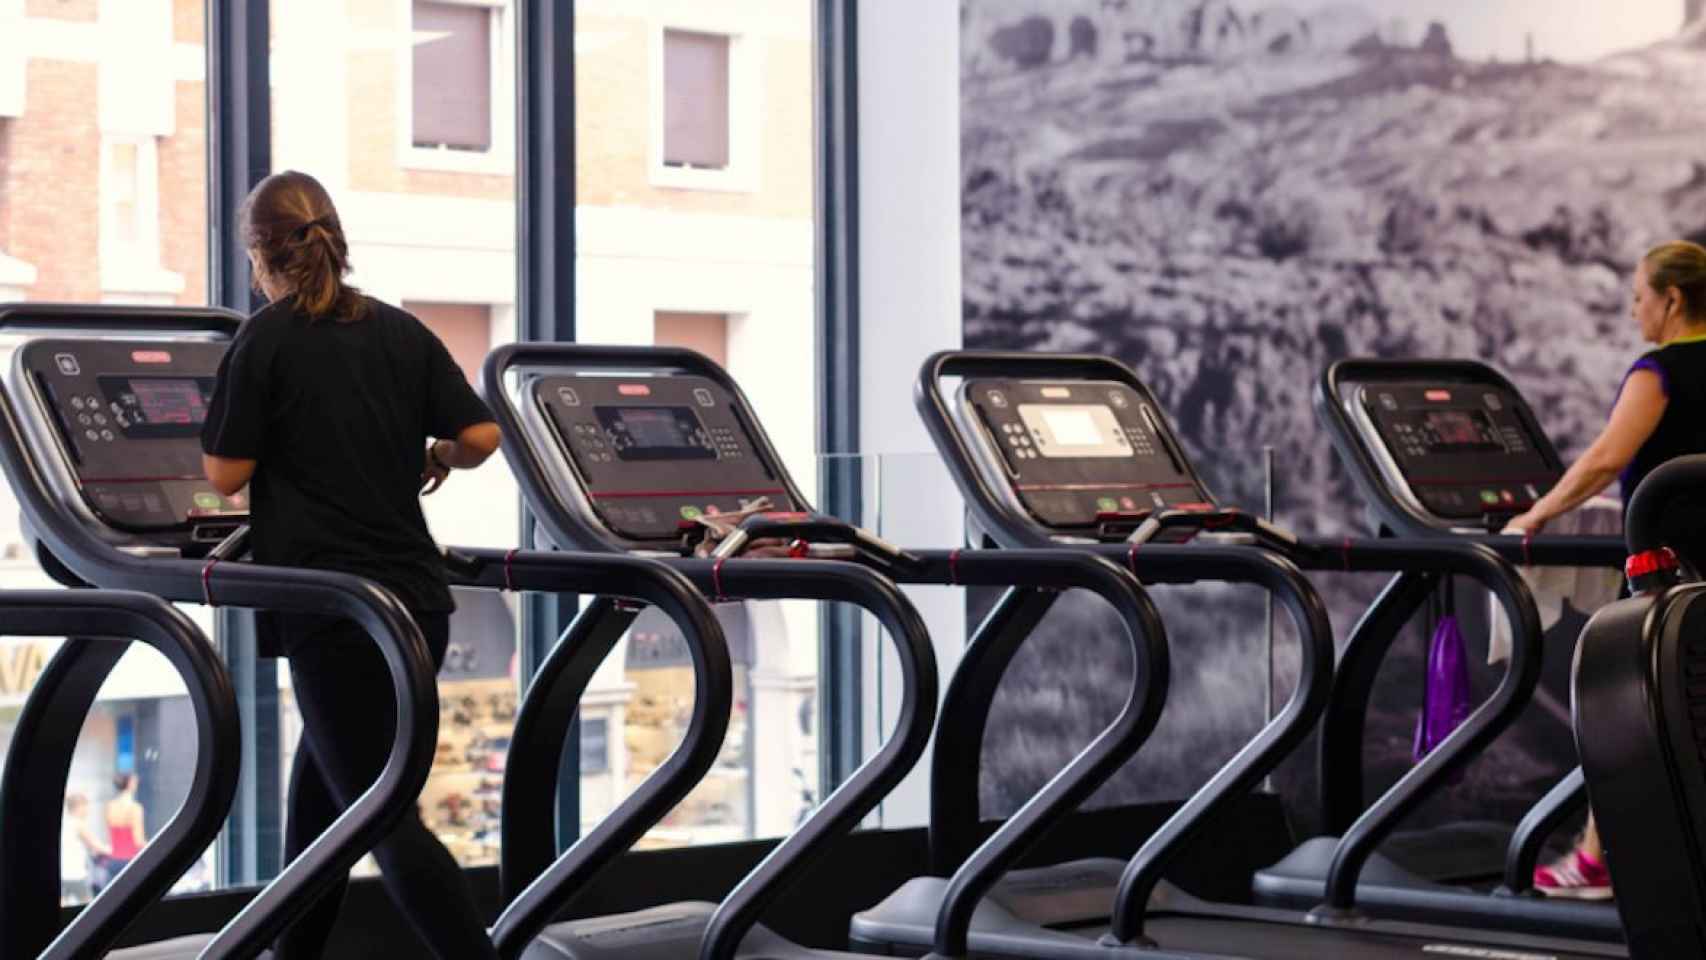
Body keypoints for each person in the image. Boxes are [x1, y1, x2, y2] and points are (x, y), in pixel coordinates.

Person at [200, 170, 502, 959]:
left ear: (259, 258)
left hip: (333, 615)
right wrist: (432, 449)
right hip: (413, 613)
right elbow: (480, 439)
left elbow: (226, 474)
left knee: (384, 819)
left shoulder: (263, 340)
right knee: (326, 807)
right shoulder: (398, 330)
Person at [1504, 239, 1706, 899]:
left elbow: (1603, 458)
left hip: (1666, 572)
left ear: (1671, 300)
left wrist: (1537, 515)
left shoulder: (1660, 370)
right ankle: (1606, 855)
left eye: (1638, 296)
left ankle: (1596, 861)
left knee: (1623, 703)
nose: (1632, 310)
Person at [62, 792, 110, 904]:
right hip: (76, 874)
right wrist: (111, 850)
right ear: (78, 807)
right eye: (86, 807)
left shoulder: (65, 822)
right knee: (88, 906)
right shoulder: (79, 824)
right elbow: (95, 845)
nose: (87, 811)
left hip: (63, 875)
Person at [104, 773, 146, 885]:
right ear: (130, 784)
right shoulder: (135, 808)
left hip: (113, 861)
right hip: (130, 861)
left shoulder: (110, 806)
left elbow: (110, 834)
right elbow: (138, 841)